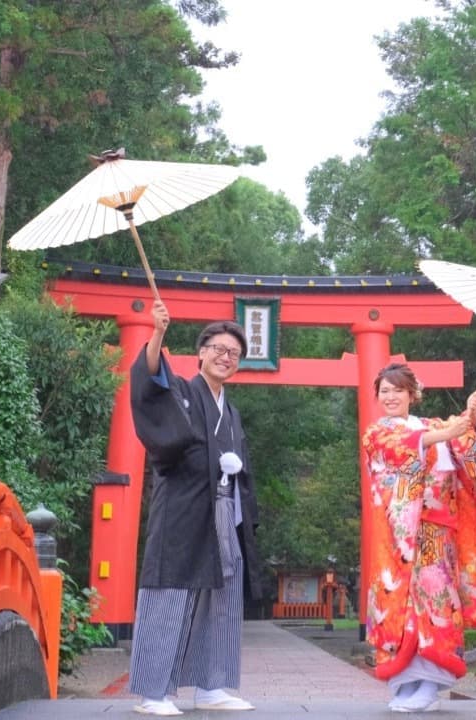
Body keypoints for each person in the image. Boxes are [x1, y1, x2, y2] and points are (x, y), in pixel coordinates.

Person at [127, 299, 262, 716]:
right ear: (201, 353)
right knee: (170, 594)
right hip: (184, 511)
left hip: (225, 512)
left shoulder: (232, 412)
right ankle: (154, 692)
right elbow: (149, 381)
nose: (226, 358)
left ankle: (212, 684)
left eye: (234, 354)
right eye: (219, 349)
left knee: (222, 599)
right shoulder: (183, 391)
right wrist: (158, 333)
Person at [361, 363, 476, 713]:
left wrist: (472, 416)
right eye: (384, 390)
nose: (390, 396)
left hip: (435, 534)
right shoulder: (378, 433)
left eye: (397, 390)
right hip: (399, 539)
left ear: (412, 394)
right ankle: (406, 681)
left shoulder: (430, 425)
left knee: (436, 603)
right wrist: (450, 432)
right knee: (400, 606)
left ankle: (429, 683)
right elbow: (405, 448)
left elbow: (462, 437)